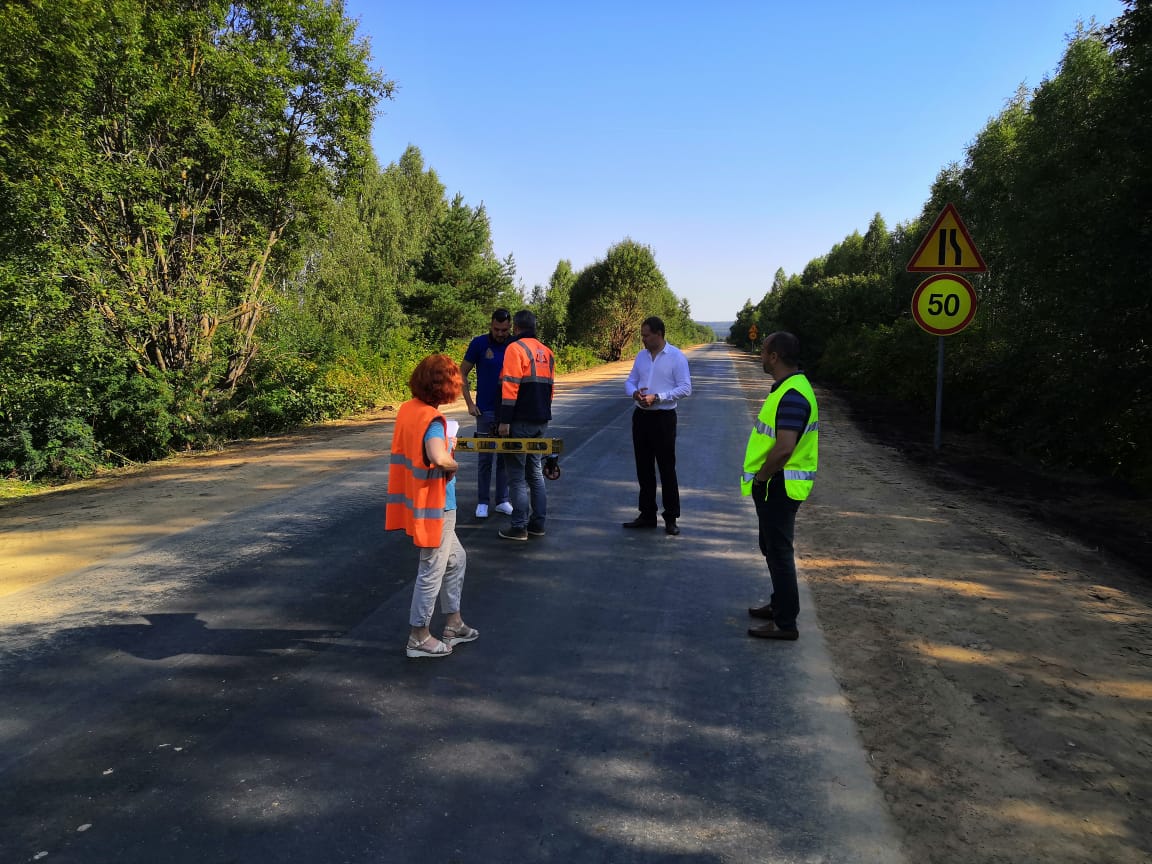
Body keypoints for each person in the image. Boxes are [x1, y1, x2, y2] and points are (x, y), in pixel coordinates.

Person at [385, 354, 479, 658]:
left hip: (419, 500)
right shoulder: (433, 421)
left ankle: (453, 623)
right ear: (447, 386)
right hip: (436, 505)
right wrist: (453, 464)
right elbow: (437, 457)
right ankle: (419, 636)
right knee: (433, 567)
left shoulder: (408, 410)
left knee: (456, 559)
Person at [741, 332, 819, 641]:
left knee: (779, 551)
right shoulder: (789, 389)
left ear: (774, 356)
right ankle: (778, 605)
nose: (760, 355)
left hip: (779, 485)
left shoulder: (793, 395)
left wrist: (761, 477)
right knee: (771, 548)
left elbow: (785, 447)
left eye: (763, 351)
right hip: (777, 483)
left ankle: (786, 622)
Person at [622, 316, 693, 535]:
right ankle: (647, 514)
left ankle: (671, 518)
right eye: (642, 335)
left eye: (646, 335)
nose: (642, 339)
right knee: (643, 469)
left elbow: (685, 388)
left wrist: (658, 397)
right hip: (641, 417)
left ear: (659, 334)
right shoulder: (641, 357)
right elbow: (630, 380)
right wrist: (634, 392)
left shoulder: (676, 358)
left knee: (666, 469)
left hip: (663, 418)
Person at [495, 310, 555, 542]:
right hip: (541, 420)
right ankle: (537, 524)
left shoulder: (516, 348)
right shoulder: (547, 352)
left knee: (517, 477)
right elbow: (551, 389)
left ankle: (519, 527)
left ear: (517, 328)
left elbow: (510, 386)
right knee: (535, 473)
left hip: (519, 421)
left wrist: (504, 421)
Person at [460, 308, 514, 519]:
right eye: (496, 329)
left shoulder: (514, 344)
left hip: (509, 411)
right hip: (485, 410)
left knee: (505, 458)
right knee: (485, 458)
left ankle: (502, 500)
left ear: (510, 327)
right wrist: (469, 403)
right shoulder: (479, 344)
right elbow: (461, 372)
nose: (500, 333)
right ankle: (483, 501)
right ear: (490, 325)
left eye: (504, 329)